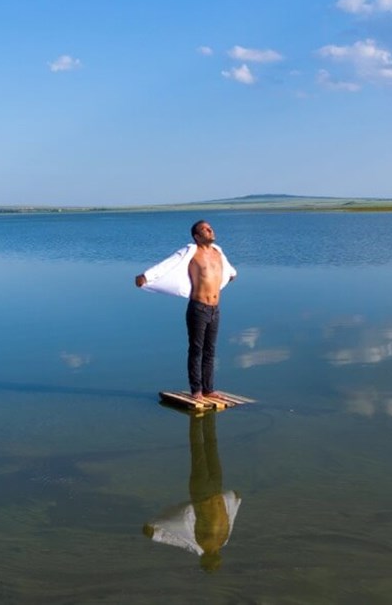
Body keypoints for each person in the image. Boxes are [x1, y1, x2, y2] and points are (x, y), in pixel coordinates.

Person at [135, 220, 237, 400]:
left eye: (210, 227)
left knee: (210, 350)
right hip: (198, 308)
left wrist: (231, 276)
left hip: (215, 309)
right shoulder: (191, 252)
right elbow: (167, 264)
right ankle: (196, 390)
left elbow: (229, 272)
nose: (210, 230)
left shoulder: (218, 252)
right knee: (196, 350)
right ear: (197, 236)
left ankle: (208, 389)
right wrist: (146, 277)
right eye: (205, 229)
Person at [143, 412, 241, 572]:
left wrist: (155, 534)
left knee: (198, 450)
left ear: (206, 559)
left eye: (213, 560)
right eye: (216, 559)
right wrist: (235, 499)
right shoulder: (223, 541)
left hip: (201, 492)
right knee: (212, 445)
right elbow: (230, 517)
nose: (216, 556)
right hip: (216, 489)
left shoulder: (197, 545)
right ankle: (209, 415)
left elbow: (177, 539)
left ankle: (195, 418)